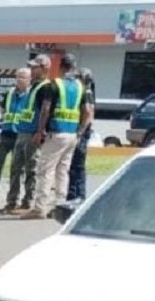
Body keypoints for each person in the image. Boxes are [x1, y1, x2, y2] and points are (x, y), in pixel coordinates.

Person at [22, 54, 93, 220]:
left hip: (56, 133)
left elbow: (46, 109)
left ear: (60, 67)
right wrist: (80, 132)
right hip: (72, 134)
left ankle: (39, 208)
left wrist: (40, 131)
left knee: (45, 170)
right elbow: (88, 111)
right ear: (73, 67)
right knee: (63, 171)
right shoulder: (80, 86)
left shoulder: (54, 85)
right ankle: (60, 206)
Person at [0, 55, 50, 214]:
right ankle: (11, 201)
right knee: (15, 168)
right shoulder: (33, 88)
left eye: (35, 67)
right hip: (22, 131)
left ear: (44, 68)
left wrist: (40, 131)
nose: (32, 70)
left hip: (33, 134)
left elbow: (45, 111)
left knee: (31, 169)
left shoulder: (45, 87)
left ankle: (27, 201)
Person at [0, 68, 31, 200]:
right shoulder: (9, 93)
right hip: (6, 133)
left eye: (23, 77)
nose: (20, 80)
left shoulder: (31, 95)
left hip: (21, 134)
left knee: (17, 167)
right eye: (18, 77)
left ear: (29, 80)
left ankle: (13, 193)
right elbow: (4, 110)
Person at [67, 68, 96, 203]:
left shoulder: (87, 93)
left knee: (77, 166)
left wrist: (80, 132)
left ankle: (76, 195)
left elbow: (89, 114)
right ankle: (75, 195)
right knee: (75, 166)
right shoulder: (86, 92)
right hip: (81, 132)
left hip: (81, 133)